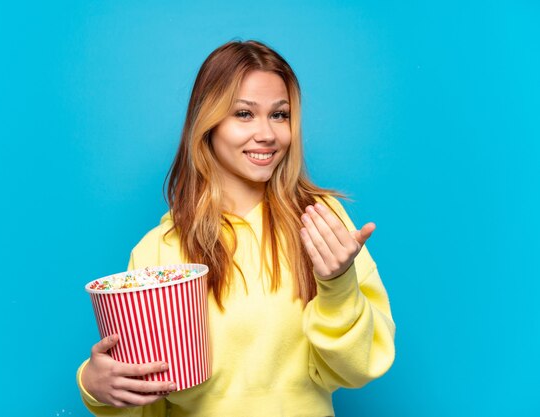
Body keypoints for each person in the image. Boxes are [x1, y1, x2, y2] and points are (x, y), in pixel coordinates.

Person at [77, 40, 395, 417]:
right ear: (208, 123)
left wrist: (338, 284)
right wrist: (94, 385)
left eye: (280, 115)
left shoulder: (320, 222)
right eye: (244, 114)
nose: (268, 134)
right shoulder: (158, 252)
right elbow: (149, 401)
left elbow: (359, 368)